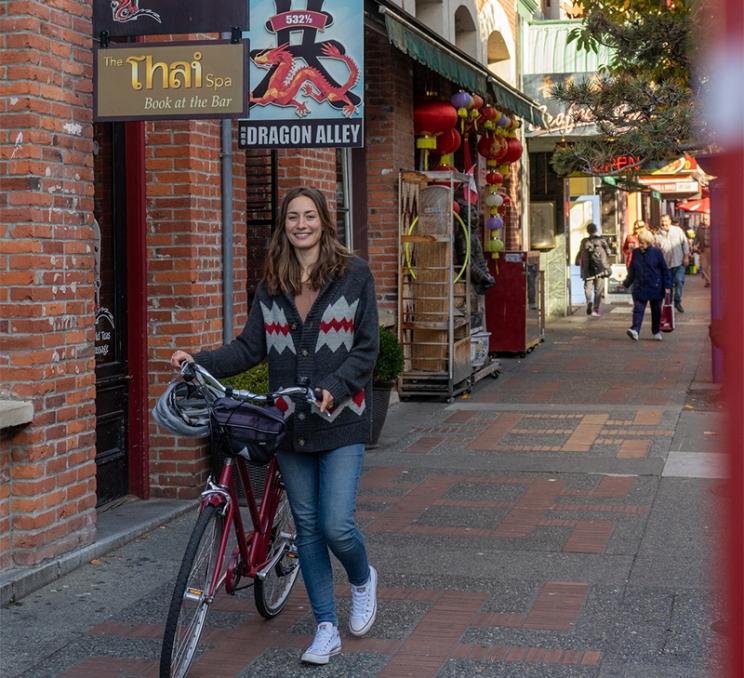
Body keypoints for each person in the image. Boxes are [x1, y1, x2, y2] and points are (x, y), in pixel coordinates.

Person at [170, 186, 380, 666]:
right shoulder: (272, 283)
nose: (301, 224)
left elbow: (367, 348)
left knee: (336, 525)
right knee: (307, 527)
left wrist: (337, 385)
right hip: (289, 426)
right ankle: (325, 626)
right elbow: (249, 348)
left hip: (341, 420)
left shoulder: (354, 275)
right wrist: (198, 359)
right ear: (283, 226)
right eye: (292, 218)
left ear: (325, 222)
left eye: (309, 216)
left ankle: (362, 576)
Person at [623, 229, 672, 341]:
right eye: (640, 242)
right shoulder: (635, 253)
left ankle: (656, 331)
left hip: (655, 286)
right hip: (640, 286)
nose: (641, 245)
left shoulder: (656, 253)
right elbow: (632, 270)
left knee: (656, 311)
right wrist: (626, 283)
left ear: (649, 242)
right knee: (638, 310)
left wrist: (667, 285)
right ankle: (635, 330)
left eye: (643, 243)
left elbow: (665, 270)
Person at [655, 213, 690, 312]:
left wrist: (686, 256)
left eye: (666, 221)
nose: (664, 223)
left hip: (679, 262)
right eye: (662, 221)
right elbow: (656, 250)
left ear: (670, 221)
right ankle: (668, 304)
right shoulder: (657, 235)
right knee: (668, 286)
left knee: (679, 281)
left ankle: (677, 301)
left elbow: (685, 243)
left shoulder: (678, 230)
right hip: (665, 265)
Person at [575, 222, 611, 316]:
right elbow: (609, 251)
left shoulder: (584, 241)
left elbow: (580, 252)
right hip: (600, 268)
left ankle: (589, 302)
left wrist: (577, 261)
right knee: (598, 289)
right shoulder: (601, 240)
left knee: (588, 287)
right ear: (596, 230)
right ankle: (596, 309)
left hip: (588, 269)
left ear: (587, 231)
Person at [694, 213, 712, 287]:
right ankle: (709, 281)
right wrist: (695, 245)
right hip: (704, 249)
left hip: (713, 249)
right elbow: (697, 237)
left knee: (712, 267)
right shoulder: (700, 227)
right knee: (704, 266)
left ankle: (710, 280)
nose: (705, 221)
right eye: (704, 219)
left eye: (706, 219)